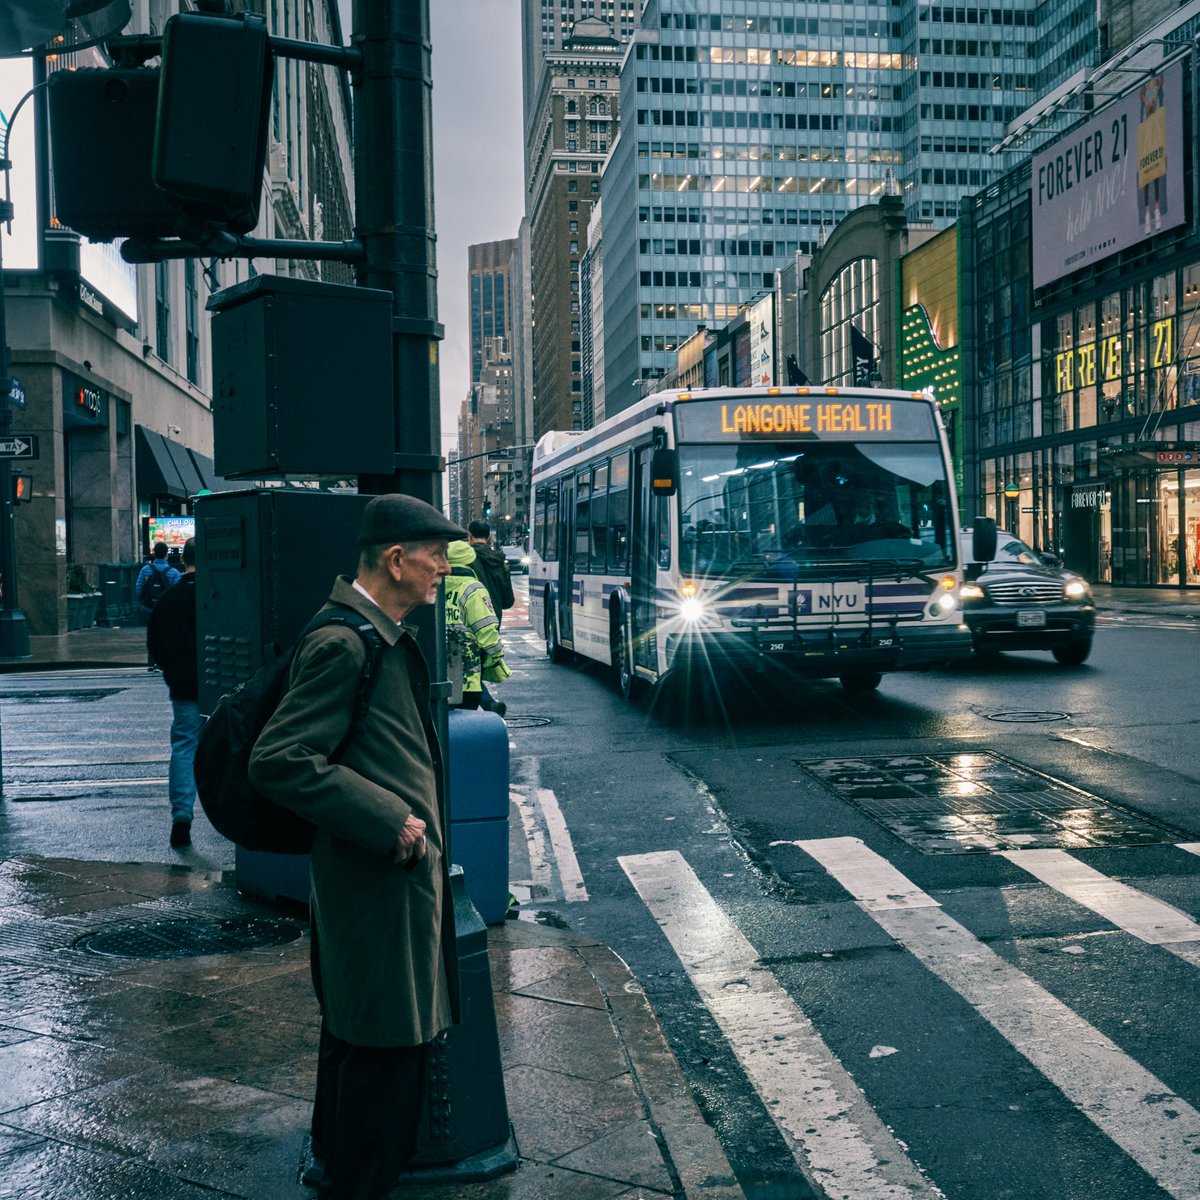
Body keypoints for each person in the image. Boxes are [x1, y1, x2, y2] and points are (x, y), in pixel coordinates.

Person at [248, 494, 465, 1200]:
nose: (443, 567)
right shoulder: (346, 642)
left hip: (386, 886)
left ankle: (343, 1173)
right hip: (377, 887)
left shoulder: (377, 634)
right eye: (434, 553)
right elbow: (280, 759)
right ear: (396, 560)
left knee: (362, 1045)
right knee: (382, 1063)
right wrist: (392, 821)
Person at [146, 537, 200, 848]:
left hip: (183, 687)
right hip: (220, 683)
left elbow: (155, 645)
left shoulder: (169, 599)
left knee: (184, 746)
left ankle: (182, 814)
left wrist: (172, 673)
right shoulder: (218, 596)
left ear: (183, 560)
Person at [445, 539, 511, 714]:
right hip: (467, 676)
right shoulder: (472, 589)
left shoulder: (434, 587)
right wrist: (494, 658)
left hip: (440, 674)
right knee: (465, 724)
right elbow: (486, 631)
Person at [138, 542, 180, 670]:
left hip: (149, 608)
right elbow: (176, 592)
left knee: (152, 634)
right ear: (166, 555)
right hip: (166, 609)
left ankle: (152, 662)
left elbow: (139, 589)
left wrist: (144, 602)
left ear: (154, 553)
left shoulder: (145, 570)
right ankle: (164, 661)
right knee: (167, 634)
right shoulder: (174, 572)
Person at [465, 520, 514, 625]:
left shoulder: (465, 560)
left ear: (469, 536)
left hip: (469, 619)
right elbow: (508, 601)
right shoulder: (500, 563)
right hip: (493, 619)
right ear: (488, 538)